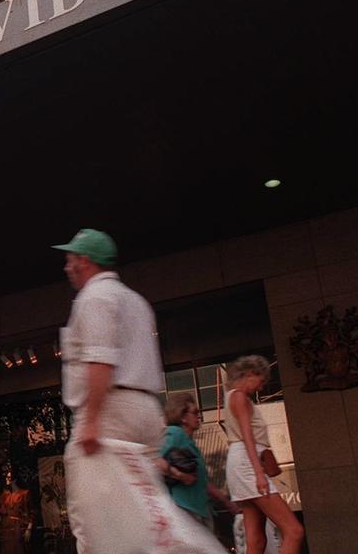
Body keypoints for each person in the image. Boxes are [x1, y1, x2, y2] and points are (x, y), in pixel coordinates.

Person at [53, 229, 223, 553]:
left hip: (110, 409)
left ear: (84, 261)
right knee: (147, 510)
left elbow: (101, 359)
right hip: (146, 409)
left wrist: (90, 419)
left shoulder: (94, 297)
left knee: (91, 514)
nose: (66, 267)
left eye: (69, 259)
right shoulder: (137, 301)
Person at [223, 356, 304, 554]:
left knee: (256, 540)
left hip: (240, 463)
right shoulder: (240, 397)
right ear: (251, 374)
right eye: (261, 382)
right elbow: (247, 436)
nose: (260, 388)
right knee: (294, 531)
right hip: (248, 463)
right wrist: (259, 473)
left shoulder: (231, 396)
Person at [160, 393, 238, 530]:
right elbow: (156, 461)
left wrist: (227, 502)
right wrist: (181, 475)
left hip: (199, 511)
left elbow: (203, 482)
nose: (199, 416)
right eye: (195, 412)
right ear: (183, 416)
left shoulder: (189, 441)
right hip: (184, 510)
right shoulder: (175, 433)